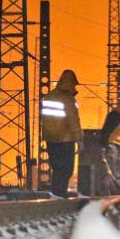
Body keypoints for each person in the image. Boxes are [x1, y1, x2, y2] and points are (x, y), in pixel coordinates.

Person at [40, 69, 82, 197]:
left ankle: (56, 193)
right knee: (66, 169)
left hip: (50, 138)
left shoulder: (48, 97)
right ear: (70, 83)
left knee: (57, 168)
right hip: (65, 139)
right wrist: (79, 139)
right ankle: (61, 192)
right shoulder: (68, 99)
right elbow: (73, 121)